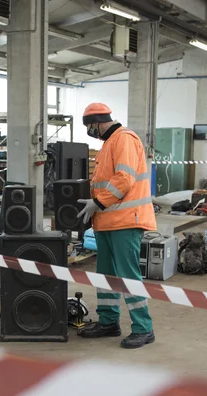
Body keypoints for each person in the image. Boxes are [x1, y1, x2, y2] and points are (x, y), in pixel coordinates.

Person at [76, 102, 157, 349]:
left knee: (128, 276)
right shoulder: (107, 145)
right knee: (106, 276)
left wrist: (97, 202)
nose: (90, 131)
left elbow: (124, 179)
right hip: (108, 221)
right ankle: (109, 321)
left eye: (90, 126)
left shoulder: (124, 139)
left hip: (125, 221)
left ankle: (144, 329)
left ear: (98, 121)